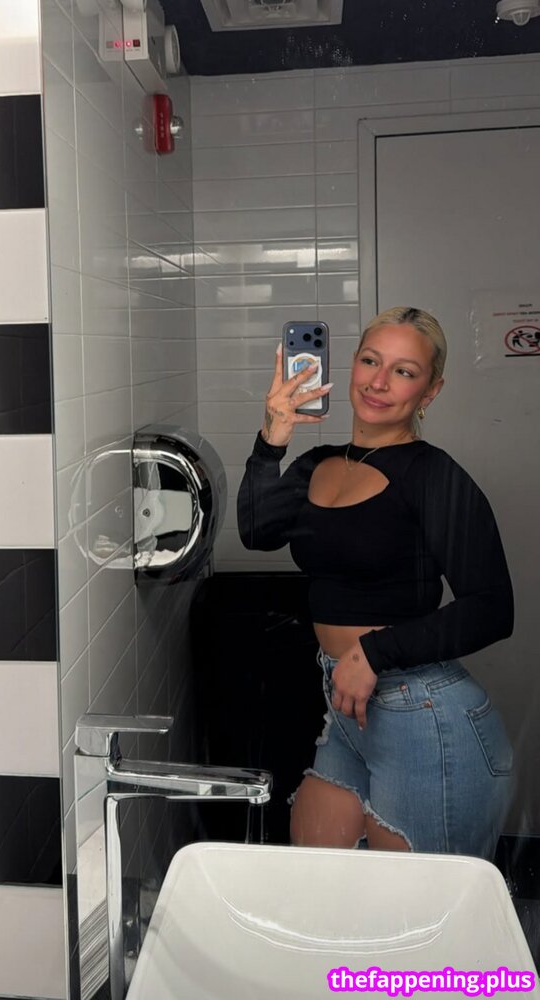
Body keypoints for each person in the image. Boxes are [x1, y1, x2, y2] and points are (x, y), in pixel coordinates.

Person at [237, 306, 514, 859]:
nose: (379, 382)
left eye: (404, 371)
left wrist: (374, 652)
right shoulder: (317, 463)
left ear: (430, 391)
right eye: (370, 361)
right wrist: (273, 437)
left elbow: (492, 607)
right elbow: (256, 530)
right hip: (345, 707)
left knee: (414, 904)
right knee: (320, 880)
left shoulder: (434, 476)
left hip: (422, 712)